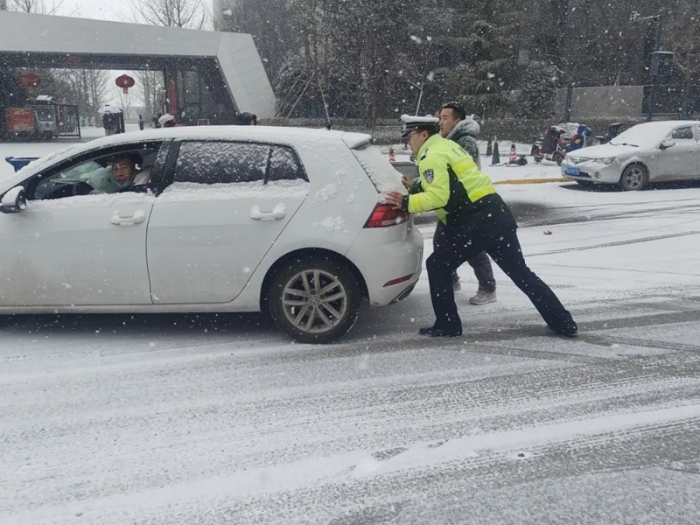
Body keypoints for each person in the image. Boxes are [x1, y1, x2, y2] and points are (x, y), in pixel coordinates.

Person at [385, 115, 578, 338]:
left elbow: (439, 197)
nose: (409, 142)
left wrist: (406, 202)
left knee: (437, 265)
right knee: (522, 273)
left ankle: (448, 325)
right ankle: (563, 322)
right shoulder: (448, 147)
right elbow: (455, 183)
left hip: (476, 221)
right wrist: (416, 187)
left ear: (423, 134)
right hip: (496, 215)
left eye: (410, 136)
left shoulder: (432, 155)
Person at [437, 101, 497, 305]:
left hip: (467, 204)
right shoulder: (449, 140)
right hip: (452, 203)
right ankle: (451, 279)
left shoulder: (465, 141)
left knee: (473, 247)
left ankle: (488, 288)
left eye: (445, 118)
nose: (440, 122)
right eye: (440, 118)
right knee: (441, 242)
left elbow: (459, 174)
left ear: (457, 121)